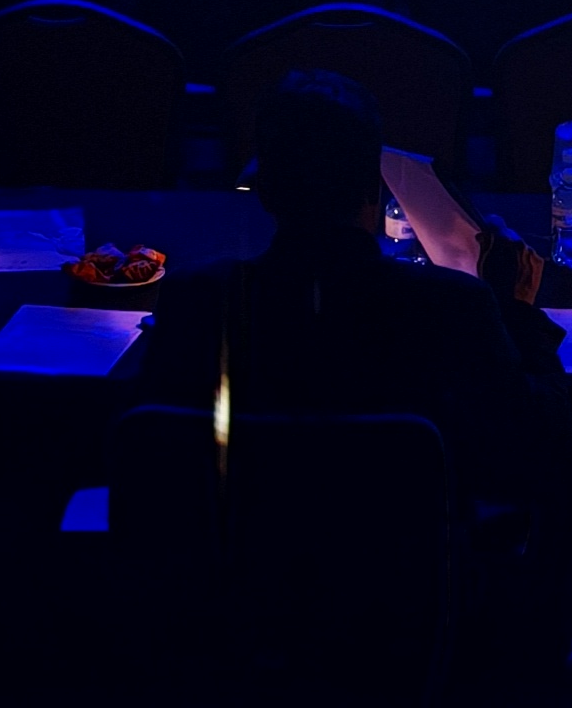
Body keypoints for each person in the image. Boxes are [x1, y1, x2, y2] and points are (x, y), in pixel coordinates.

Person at [126, 73, 536, 505]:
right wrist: (520, 315)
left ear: (264, 190)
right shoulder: (456, 305)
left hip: (240, 545)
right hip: (402, 546)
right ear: (374, 189)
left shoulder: (197, 301)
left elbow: (149, 457)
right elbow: (529, 449)